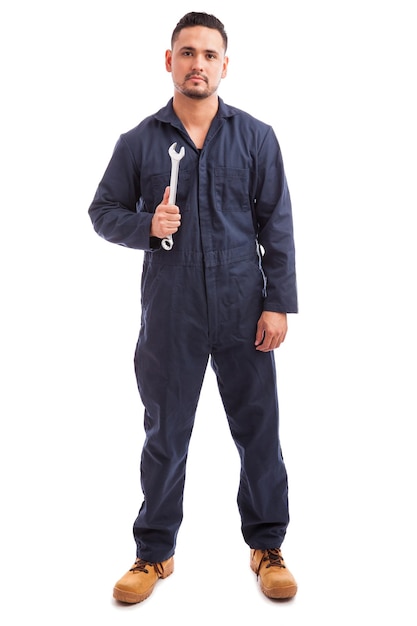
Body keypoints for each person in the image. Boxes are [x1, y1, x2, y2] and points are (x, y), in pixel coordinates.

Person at [88, 11, 298, 603]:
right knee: (165, 433)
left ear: (225, 65)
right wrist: (146, 226)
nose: (197, 63)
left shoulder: (256, 136)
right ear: (169, 61)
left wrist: (277, 303)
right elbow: (102, 212)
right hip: (171, 310)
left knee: (259, 431)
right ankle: (153, 554)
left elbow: (275, 225)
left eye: (208, 54)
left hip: (243, 306)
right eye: (187, 53)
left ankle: (268, 545)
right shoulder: (137, 142)